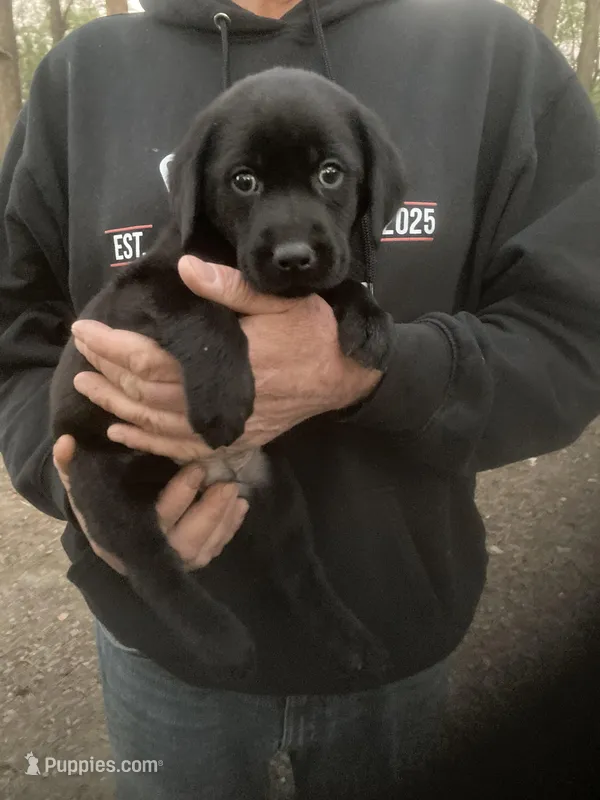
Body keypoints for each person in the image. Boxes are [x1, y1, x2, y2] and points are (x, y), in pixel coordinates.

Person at [1, 0, 600, 797]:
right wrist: (77, 485)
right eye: (242, 183)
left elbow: (575, 334)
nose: (290, 237)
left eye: (329, 176)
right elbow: (15, 329)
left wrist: (374, 373)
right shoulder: (80, 72)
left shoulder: (494, 58)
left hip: (393, 629)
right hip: (161, 643)